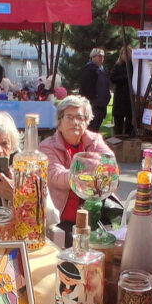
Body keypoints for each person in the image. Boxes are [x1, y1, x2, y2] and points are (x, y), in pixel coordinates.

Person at [41, 95, 115, 241]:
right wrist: (92, 169)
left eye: (80, 118)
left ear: (86, 122)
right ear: (59, 121)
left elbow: (110, 167)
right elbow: (56, 177)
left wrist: (79, 173)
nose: (75, 122)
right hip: (64, 218)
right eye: (69, 117)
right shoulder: (47, 146)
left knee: (106, 247)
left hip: (96, 212)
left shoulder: (94, 140)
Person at [79, 47, 111, 132]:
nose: (102, 58)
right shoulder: (89, 69)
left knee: (97, 127)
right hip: (93, 104)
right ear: (93, 57)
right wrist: (92, 99)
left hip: (102, 104)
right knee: (91, 128)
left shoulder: (103, 70)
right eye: (99, 56)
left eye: (103, 56)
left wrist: (108, 97)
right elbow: (86, 87)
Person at [110, 46, 134, 138]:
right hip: (120, 97)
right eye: (125, 53)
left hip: (130, 97)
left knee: (129, 121)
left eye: (129, 53)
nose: (127, 55)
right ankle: (118, 138)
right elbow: (113, 78)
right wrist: (125, 78)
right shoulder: (118, 66)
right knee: (118, 121)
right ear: (121, 55)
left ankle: (128, 139)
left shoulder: (133, 66)